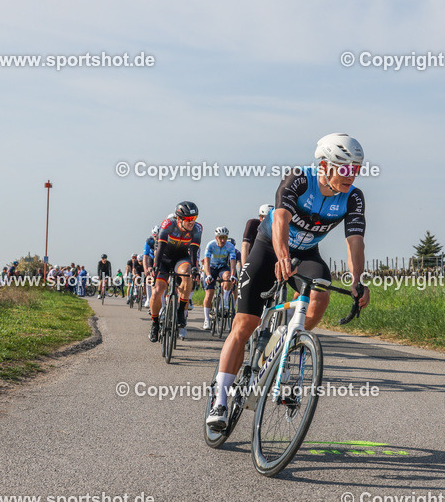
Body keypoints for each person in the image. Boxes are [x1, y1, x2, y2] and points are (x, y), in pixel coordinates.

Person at [207, 133, 371, 429]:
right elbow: (280, 219)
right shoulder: (299, 178)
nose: (352, 176)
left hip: (307, 253)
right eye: (346, 168)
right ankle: (219, 399)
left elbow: (355, 241)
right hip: (270, 247)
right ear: (324, 165)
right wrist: (281, 256)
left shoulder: (354, 197)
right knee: (244, 324)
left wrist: (357, 279)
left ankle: (281, 340)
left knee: (320, 295)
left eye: (357, 169)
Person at [147, 202, 202, 342]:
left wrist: (195, 268)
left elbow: (194, 251)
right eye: (189, 219)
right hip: (165, 259)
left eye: (194, 218)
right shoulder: (167, 225)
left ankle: (180, 312)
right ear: (179, 219)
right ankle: (155, 324)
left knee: (187, 273)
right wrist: (156, 266)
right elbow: (160, 248)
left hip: (181, 259)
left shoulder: (197, 228)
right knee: (157, 291)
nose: (192, 222)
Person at [200, 227, 237, 329]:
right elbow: (206, 262)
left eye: (225, 237)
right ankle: (207, 320)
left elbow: (233, 262)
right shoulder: (210, 245)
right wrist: (208, 275)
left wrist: (233, 274)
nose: (223, 240)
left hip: (222, 267)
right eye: (221, 237)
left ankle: (224, 302)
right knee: (209, 293)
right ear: (216, 238)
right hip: (211, 267)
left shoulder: (230, 246)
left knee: (228, 277)